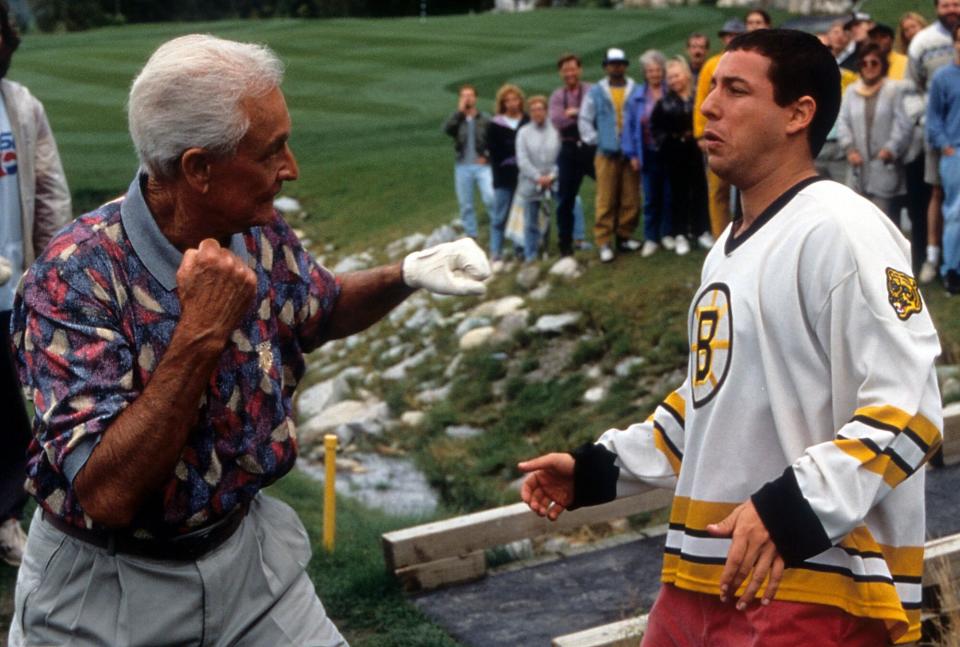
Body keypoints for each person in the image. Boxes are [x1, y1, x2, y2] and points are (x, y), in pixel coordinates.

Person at [8, 34, 491, 647]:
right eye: (272, 152)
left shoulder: (253, 229)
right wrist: (201, 330)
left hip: (248, 563)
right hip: (106, 593)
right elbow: (107, 493)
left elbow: (320, 306)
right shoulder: (72, 278)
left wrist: (406, 275)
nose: (290, 169)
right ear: (198, 168)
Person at [519, 28, 941, 646]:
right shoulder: (725, 249)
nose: (710, 104)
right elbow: (711, 399)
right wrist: (599, 469)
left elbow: (910, 408)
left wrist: (791, 510)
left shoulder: (844, 229)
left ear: (799, 114)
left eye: (735, 90)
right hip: (695, 579)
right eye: (711, 86)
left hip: (807, 583)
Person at [0, 0, 71, 567]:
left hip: (9, 287)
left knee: (11, 409)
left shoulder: (20, 107)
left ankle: (5, 517)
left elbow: (48, 192)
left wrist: (51, 272)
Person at [909, 0, 960, 284]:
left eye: (956, 3)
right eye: (946, 3)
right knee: (946, 204)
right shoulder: (925, 46)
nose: (952, 8)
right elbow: (917, 97)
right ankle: (941, 262)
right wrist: (940, 140)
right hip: (947, 144)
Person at [837, 43, 910, 224]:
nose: (869, 67)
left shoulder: (894, 90)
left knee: (883, 219)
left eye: (874, 63)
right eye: (865, 63)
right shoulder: (852, 91)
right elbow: (843, 121)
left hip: (884, 164)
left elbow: (903, 124)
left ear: (882, 65)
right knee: (856, 219)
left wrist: (891, 148)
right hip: (858, 166)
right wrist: (849, 149)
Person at [579, 47, 641, 263]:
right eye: (612, 64)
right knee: (605, 198)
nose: (616, 67)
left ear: (625, 66)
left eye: (620, 63)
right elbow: (585, 119)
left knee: (630, 197)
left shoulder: (635, 89)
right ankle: (604, 240)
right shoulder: (596, 92)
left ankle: (624, 236)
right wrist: (598, 140)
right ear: (606, 67)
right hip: (606, 153)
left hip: (630, 152)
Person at [693, 18, 745, 242]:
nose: (730, 39)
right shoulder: (712, 65)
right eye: (728, 35)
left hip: (743, 133)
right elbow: (701, 101)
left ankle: (745, 234)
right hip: (718, 134)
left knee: (747, 188)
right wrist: (699, 133)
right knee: (718, 190)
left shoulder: (750, 64)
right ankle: (719, 237)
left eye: (735, 35)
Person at [651, 58, 708, 256]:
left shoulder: (696, 98)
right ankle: (680, 234)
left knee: (700, 189)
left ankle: (701, 230)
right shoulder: (664, 103)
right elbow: (655, 129)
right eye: (670, 77)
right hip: (675, 150)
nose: (673, 80)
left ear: (685, 75)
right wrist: (666, 144)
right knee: (678, 194)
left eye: (676, 75)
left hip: (695, 148)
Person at [622, 49, 673, 258]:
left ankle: (667, 233)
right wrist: (632, 154)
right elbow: (628, 127)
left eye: (658, 70)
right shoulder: (637, 97)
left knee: (669, 195)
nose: (654, 74)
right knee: (651, 197)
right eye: (650, 70)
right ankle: (651, 238)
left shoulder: (670, 92)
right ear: (645, 73)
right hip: (647, 152)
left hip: (669, 152)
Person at [549, 53, 593, 257]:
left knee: (610, 189)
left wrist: (575, 113)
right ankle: (565, 245)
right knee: (565, 199)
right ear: (561, 73)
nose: (569, 73)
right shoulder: (558, 96)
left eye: (573, 69)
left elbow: (595, 116)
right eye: (565, 70)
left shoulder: (591, 90)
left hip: (590, 147)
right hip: (568, 149)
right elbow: (558, 120)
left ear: (580, 70)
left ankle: (613, 238)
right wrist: (580, 115)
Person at [927, 22, 960, 294]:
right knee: (955, 213)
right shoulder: (943, 77)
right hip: (955, 153)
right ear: (955, 43)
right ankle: (951, 270)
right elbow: (934, 118)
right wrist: (945, 145)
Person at [444, 84, 496, 241]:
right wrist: (459, 112)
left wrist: (488, 157)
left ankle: (497, 230)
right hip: (462, 165)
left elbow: (495, 141)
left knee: (490, 197)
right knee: (466, 204)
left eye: (470, 95)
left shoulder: (485, 118)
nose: (467, 98)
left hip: (482, 166)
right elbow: (447, 129)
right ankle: (471, 236)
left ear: (475, 98)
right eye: (464, 95)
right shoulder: (458, 120)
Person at [487, 83, 529, 267]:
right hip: (504, 176)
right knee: (499, 216)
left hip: (524, 175)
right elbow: (494, 152)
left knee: (521, 215)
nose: (512, 103)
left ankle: (519, 249)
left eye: (515, 99)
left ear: (520, 101)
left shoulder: (527, 121)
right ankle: (495, 251)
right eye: (508, 100)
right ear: (502, 103)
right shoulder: (496, 124)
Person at [516, 96, 560, 262]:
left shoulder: (556, 130)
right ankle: (531, 254)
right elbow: (522, 159)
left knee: (570, 206)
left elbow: (561, 156)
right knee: (530, 221)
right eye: (533, 110)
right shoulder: (523, 133)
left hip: (554, 179)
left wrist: (552, 175)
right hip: (531, 182)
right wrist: (537, 177)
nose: (537, 113)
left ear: (546, 110)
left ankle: (573, 243)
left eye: (540, 109)